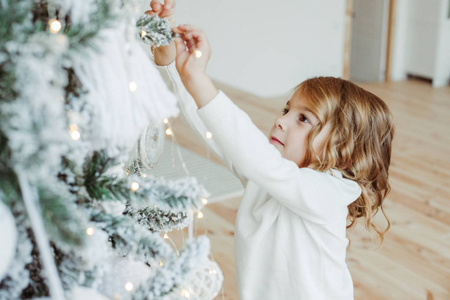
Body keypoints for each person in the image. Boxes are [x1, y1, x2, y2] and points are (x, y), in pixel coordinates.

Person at [147, 1, 394, 299]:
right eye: (286, 110)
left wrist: (199, 80)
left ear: (343, 151)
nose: (281, 120)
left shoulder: (328, 193)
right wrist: (175, 65)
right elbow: (213, 126)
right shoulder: (262, 177)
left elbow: (260, 160)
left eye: (303, 119)